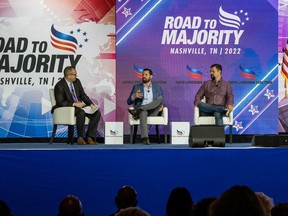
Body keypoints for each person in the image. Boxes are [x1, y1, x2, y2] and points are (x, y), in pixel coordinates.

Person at [53, 66, 101, 145]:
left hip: (80, 106)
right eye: (74, 74)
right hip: (68, 108)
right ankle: (80, 138)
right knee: (81, 112)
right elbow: (60, 102)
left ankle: (89, 137)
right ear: (69, 76)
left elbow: (83, 95)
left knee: (96, 113)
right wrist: (74, 104)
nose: (76, 76)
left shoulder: (77, 82)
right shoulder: (59, 85)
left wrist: (90, 104)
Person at [127, 68, 164, 144]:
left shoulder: (157, 87)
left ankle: (138, 110)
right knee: (143, 112)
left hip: (154, 110)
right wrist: (134, 96)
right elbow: (129, 102)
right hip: (143, 111)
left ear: (151, 76)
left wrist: (162, 106)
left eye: (146, 75)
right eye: (143, 74)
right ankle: (145, 138)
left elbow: (161, 100)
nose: (144, 76)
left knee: (160, 98)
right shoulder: (136, 87)